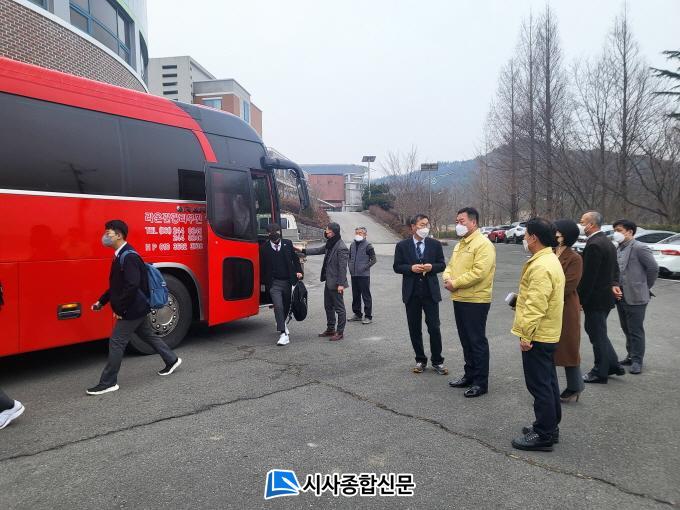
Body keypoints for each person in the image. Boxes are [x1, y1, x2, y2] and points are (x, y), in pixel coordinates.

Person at [88, 220, 182, 395]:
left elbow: (132, 285)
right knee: (147, 334)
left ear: (119, 235)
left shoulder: (128, 256)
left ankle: (108, 382)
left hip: (133, 309)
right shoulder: (120, 255)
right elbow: (117, 286)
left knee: (116, 341)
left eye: (108, 233)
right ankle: (171, 359)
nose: (105, 236)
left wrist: (120, 310)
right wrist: (101, 302)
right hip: (136, 307)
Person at [511, 218, 565, 452]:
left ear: (534, 238)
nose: (524, 238)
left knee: (539, 385)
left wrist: (526, 335)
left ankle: (544, 434)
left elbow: (536, 305)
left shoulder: (542, 265)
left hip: (539, 335)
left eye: (525, 234)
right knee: (548, 382)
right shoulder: (549, 259)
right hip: (547, 332)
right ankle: (550, 426)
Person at [444, 207, 496, 398]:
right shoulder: (461, 244)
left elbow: (479, 272)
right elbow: (450, 266)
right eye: (457, 221)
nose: (459, 225)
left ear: (473, 222)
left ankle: (480, 383)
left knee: (476, 341)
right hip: (459, 297)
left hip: (476, 300)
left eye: (462, 221)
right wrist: (447, 278)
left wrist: (455, 283)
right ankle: (469, 375)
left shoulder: (483, 244)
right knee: (466, 340)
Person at [393, 214, 448, 375]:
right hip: (412, 293)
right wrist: (410, 268)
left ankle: (437, 361)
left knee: (434, 327)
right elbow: (397, 266)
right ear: (413, 227)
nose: (425, 228)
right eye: (422, 225)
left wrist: (432, 267)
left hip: (430, 292)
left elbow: (442, 264)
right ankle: (420, 360)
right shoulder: (402, 246)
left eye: (427, 224)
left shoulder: (434, 244)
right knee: (414, 328)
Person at [578, 211, 625, 384]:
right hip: (605, 298)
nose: (581, 225)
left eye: (582, 222)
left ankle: (599, 372)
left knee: (596, 334)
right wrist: (615, 283)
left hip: (596, 299)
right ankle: (613, 365)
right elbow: (615, 268)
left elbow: (588, 278)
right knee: (598, 332)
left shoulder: (594, 245)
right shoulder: (606, 242)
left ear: (591, 224)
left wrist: (580, 300)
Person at [612, 219, 658, 374]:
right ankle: (630, 355)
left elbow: (653, 268)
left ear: (630, 232)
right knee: (626, 328)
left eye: (619, 230)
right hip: (621, 295)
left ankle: (637, 360)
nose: (616, 233)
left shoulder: (639, 247)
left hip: (637, 296)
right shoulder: (619, 248)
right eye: (615, 230)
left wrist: (644, 286)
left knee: (635, 330)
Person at [553, 220, 585, 403]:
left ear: (566, 235)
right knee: (548, 348)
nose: (554, 235)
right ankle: (548, 390)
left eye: (557, 232)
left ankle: (575, 385)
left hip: (566, 307)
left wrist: (546, 293)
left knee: (568, 347)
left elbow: (569, 284)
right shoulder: (550, 252)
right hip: (550, 305)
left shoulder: (575, 258)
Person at [301, 222, 349, 341]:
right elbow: (318, 250)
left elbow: (342, 268)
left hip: (337, 283)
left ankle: (340, 332)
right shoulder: (330, 243)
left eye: (327, 230)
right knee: (328, 306)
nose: (325, 232)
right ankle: (330, 329)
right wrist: (302, 250)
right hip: (329, 281)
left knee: (339, 309)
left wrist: (341, 284)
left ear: (333, 232)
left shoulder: (341, 247)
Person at [259, 223, 304, 346]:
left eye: (276, 231)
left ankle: (282, 323)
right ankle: (283, 334)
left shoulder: (287, 243)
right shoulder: (264, 248)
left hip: (288, 281)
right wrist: (265, 283)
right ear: (268, 234)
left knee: (286, 306)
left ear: (280, 232)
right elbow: (262, 267)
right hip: (274, 283)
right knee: (278, 306)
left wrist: (299, 272)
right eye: (271, 232)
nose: (274, 234)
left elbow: (295, 259)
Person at [347, 226, 377, 325]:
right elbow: (349, 258)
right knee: (355, 295)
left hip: (364, 275)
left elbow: (374, 260)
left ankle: (368, 316)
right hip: (354, 274)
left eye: (360, 233)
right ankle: (357, 314)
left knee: (366, 295)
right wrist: (350, 267)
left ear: (365, 234)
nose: (358, 234)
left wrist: (364, 267)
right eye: (356, 233)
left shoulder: (368, 246)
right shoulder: (352, 245)